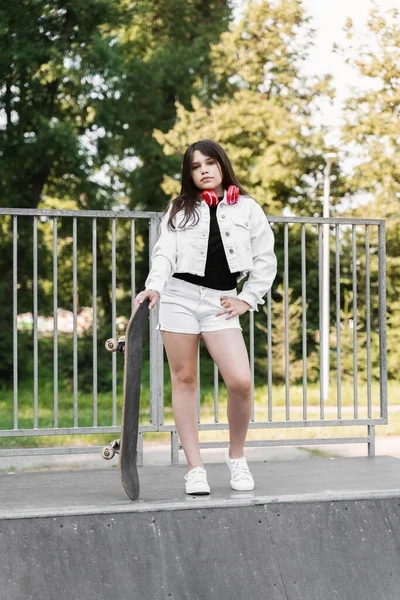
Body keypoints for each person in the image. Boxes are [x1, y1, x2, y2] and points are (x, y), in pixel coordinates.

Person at [134, 139, 277, 495]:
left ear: (222, 165)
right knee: (184, 380)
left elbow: (265, 258)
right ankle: (195, 468)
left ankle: (237, 457)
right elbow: (164, 253)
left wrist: (247, 299)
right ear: (190, 174)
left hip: (220, 303)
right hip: (179, 299)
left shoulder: (246, 208)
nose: (204, 171)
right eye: (196, 167)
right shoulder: (179, 209)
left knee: (241, 381)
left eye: (210, 163)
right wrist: (155, 287)